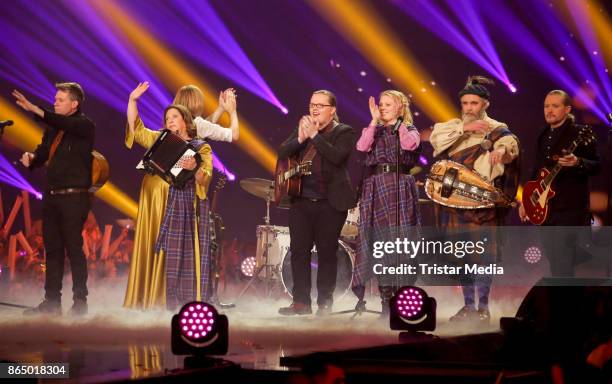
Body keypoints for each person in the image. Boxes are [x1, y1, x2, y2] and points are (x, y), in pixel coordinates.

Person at [123, 85, 237, 309]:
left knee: (179, 254)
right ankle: (154, 298)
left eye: (175, 117)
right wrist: (132, 101)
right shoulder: (160, 139)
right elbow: (137, 130)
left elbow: (206, 179)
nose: (170, 121)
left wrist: (195, 169)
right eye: (167, 118)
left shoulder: (200, 148)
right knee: (158, 246)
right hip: (155, 202)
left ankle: (180, 301)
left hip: (181, 204)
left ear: (185, 120)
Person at [430, 76, 519, 323]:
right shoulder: (453, 126)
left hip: (482, 204)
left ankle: (484, 307)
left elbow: (509, 145)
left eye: (474, 103)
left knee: (483, 258)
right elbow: (436, 139)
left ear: (485, 105)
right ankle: (468, 306)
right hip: (456, 202)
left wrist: (500, 151)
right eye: (465, 103)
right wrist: (465, 129)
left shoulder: (498, 128)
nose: (469, 108)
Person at [13, 83, 95, 316]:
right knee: (53, 250)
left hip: (74, 198)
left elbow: (63, 123)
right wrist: (32, 158)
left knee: (74, 249)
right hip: (52, 197)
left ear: (74, 104)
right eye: (55, 99)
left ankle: (80, 302)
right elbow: (42, 153)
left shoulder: (84, 125)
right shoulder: (52, 129)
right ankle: (51, 302)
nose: (55, 102)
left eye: (60, 100)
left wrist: (34, 109)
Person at [277, 90, 357, 316]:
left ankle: (324, 302)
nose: (314, 109)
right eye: (312, 104)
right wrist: (301, 138)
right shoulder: (303, 128)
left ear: (332, 110)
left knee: (326, 252)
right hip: (301, 202)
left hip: (330, 204)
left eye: (320, 105)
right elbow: (282, 152)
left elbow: (337, 156)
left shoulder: (344, 132)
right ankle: (301, 302)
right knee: (299, 252)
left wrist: (314, 136)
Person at [351, 90, 422, 315]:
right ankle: (385, 300)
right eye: (380, 104)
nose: (382, 108)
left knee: (400, 243)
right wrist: (373, 121)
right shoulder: (374, 130)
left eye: (387, 104)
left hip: (400, 187)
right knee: (380, 245)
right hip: (377, 189)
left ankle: (401, 298)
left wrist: (398, 122)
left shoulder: (409, 129)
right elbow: (361, 147)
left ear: (400, 106)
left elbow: (410, 145)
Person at [519, 90, 600, 276]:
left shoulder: (580, 132)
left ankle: (565, 303)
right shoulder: (543, 133)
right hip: (546, 209)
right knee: (554, 261)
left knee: (562, 262)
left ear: (567, 109)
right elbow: (537, 170)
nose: (549, 110)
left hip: (569, 209)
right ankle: (562, 302)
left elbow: (597, 166)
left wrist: (578, 162)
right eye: (547, 106)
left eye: (555, 106)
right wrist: (527, 200)